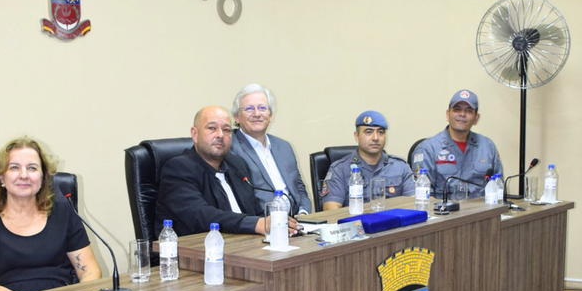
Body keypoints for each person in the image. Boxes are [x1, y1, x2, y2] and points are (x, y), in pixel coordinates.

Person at [0, 137, 101, 291]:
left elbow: (90, 271)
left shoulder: (64, 215)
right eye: (14, 167)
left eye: (32, 168)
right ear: (1, 178)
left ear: (42, 177)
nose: (24, 175)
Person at [156, 105, 299, 236]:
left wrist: (276, 222)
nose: (220, 135)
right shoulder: (178, 169)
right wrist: (256, 224)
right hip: (200, 249)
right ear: (195, 134)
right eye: (212, 128)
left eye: (226, 130)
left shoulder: (236, 165)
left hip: (245, 244)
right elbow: (201, 215)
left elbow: (254, 210)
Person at [229, 84, 312, 216]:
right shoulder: (230, 148)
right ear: (237, 117)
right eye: (249, 109)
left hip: (296, 220)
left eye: (262, 108)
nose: (257, 114)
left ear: (270, 115)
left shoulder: (284, 147)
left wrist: (303, 214)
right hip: (261, 223)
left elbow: (299, 189)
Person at [412, 89, 503, 199]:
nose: (462, 114)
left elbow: (499, 188)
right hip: (444, 209)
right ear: (447, 115)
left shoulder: (487, 146)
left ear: (476, 118)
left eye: (469, 110)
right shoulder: (428, 148)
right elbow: (423, 197)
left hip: (482, 208)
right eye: (457, 109)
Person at [321, 111, 415, 210]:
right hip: (355, 220)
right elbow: (331, 210)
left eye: (380, 132)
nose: (375, 138)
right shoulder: (339, 169)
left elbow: (414, 203)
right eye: (369, 132)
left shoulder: (400, 167)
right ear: (356, 136)